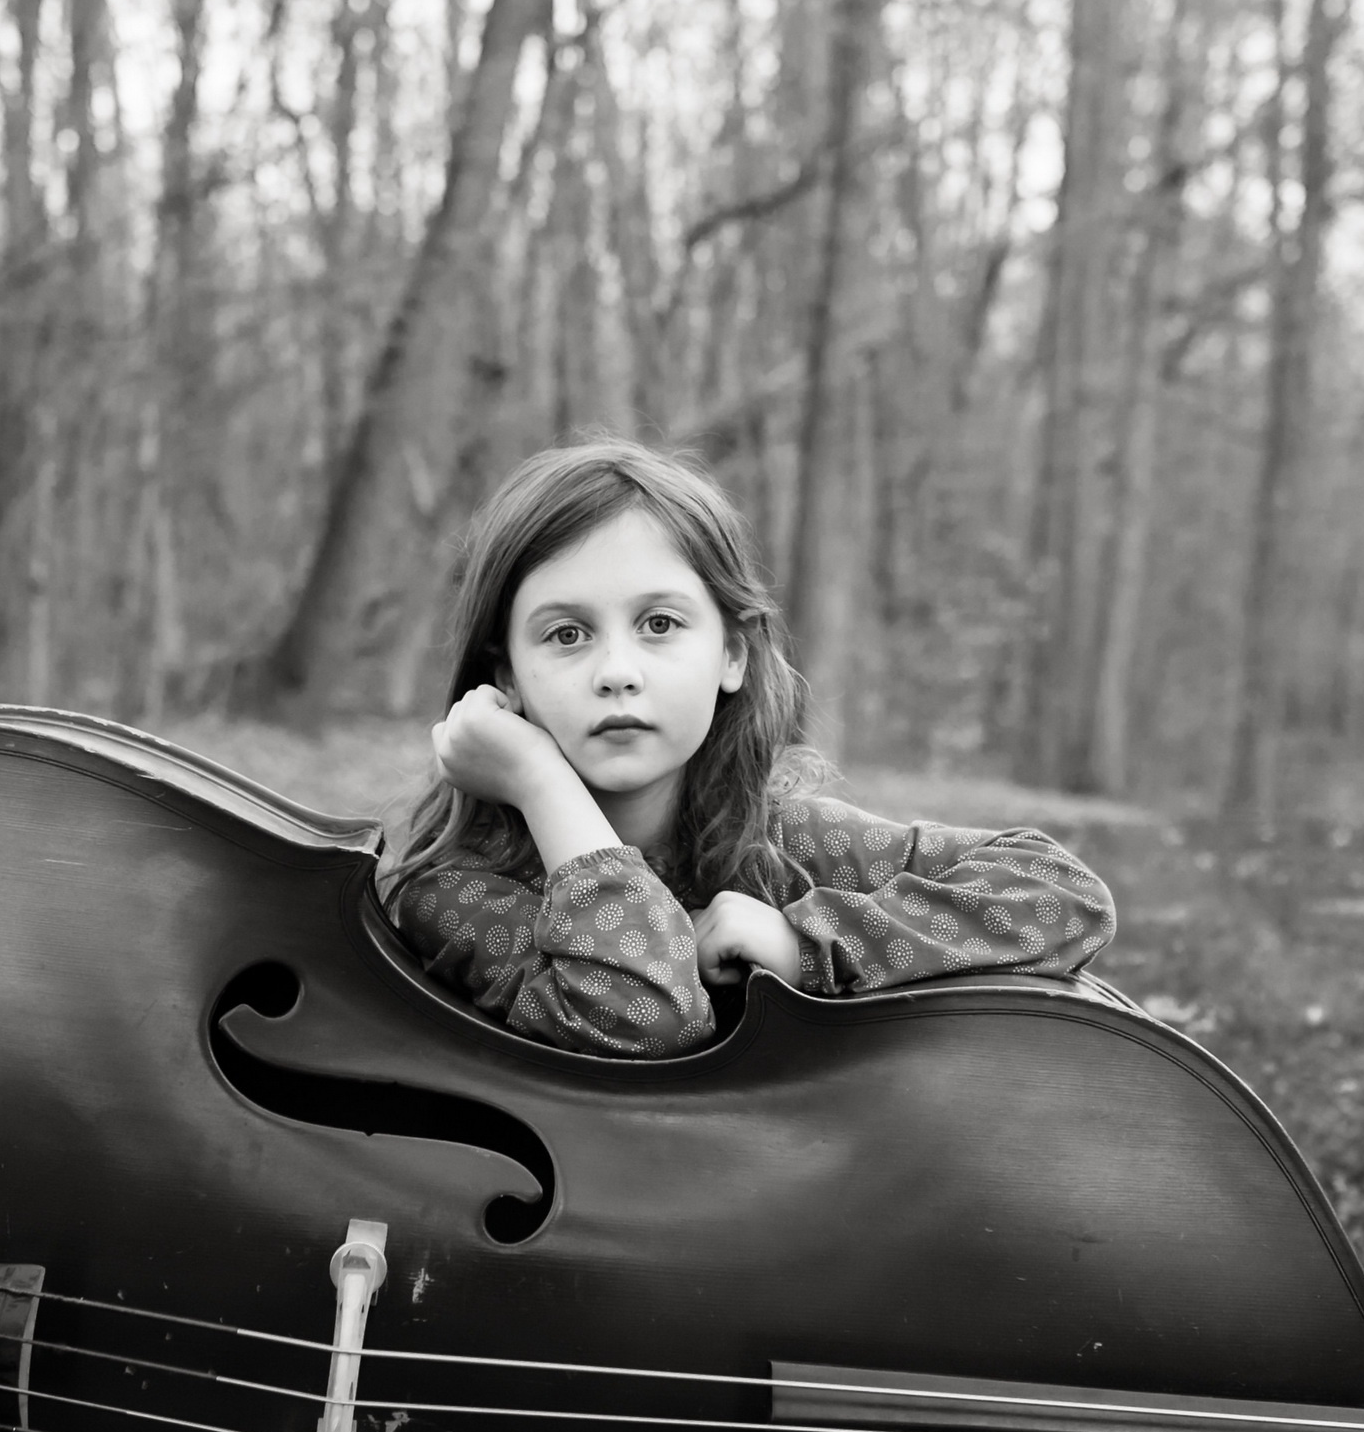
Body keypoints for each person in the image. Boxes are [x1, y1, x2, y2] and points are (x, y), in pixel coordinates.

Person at [380, 439, 1114, 1058]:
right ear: (506, 675)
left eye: (660, 624)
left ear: (732, 655)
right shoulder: (458, 884)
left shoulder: (786, 841)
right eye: (565, 635)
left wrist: (805, 945)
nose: (617, 673)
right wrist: (542, 783)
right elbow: (645, 1017)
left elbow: (1062, 897)